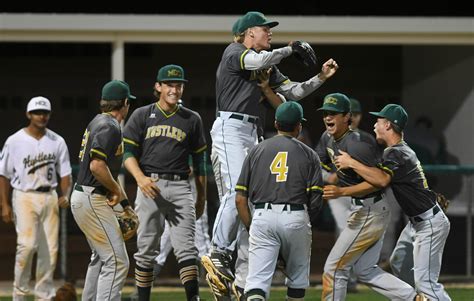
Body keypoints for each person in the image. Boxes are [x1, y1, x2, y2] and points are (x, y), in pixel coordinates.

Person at [203, 10, 338, 294]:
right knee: (233, 192)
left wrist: (321, 78)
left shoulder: (267, 62)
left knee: (249, 202)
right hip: (230, 126)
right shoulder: (234, 51)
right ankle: (217, 251)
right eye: (265, 29)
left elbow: (293, 93)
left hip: (252, 130)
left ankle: (240, 278)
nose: (270, 33)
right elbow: (259, 59)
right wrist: (290, 49)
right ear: (249, 32)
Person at [333, 104, 451, 300]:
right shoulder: (398, 151)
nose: (374, 125)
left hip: (428, 224)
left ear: (388, 125)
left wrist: (351, 163)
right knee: (398, 262)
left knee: (427, 284)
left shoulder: (395, 152)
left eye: (378, 121)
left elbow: (380, 180)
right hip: (418, 221)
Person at [317, 93, 419, 301]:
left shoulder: (359, 143)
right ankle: (413, 298)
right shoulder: (327, 138)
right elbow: (317, 162)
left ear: (347, 117)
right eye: (326, 113)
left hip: (370, 209)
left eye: (334, 114)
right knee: (365, 270)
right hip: (364, 209)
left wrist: (341, 190)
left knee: (334, 269)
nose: (328, 117)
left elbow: (379, 182)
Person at [123, 64, 207, 301]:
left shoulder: (192, 118)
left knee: (187, 248)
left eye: (179, 85)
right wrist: (140, 179)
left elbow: (200, 162)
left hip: (181, 186)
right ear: (158, 87)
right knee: (146, 250)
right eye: (169, 84)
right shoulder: (142, 114)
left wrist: (202, 196)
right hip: (150, 184)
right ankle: (143, 298)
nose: (175, 89)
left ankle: (193, 298)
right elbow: (127, 153)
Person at [235, 101, 323, 301]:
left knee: (256, 283)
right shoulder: (309, 154)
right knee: (297, 281)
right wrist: (303, 225)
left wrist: (252, 227)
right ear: (299, 126)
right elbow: (316, 202)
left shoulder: (256, 151)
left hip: (262, 216)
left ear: (276, 123)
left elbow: (240, 199)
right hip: (296, 216)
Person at [0, 96, 72, 301]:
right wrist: (4, 204)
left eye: (45, 113)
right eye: (37, 112)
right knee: (27, 245)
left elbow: (65, 174)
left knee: (50, 248)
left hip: (49, 195)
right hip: (24, 195)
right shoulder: (14, 141)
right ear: (28, 114)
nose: (41, 116)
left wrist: (65, 194)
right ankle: (19, 294)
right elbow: (3, 174)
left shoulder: (57, 141)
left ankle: (43, 294)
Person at [71, 80, 134, 301]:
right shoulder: (109, 126)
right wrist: (118, 193)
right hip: (91, 197)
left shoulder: (97, 121)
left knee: (100, 257)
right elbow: (97, 166)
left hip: (85, 195)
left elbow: (105, 172)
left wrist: (125, 204)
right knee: (117, 261)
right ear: (125, 103)